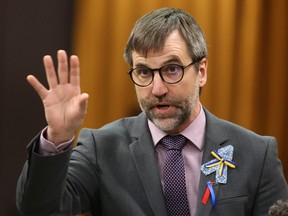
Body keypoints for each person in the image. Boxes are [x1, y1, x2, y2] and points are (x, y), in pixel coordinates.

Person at [16, 7, 288, 216]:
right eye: (144, 72)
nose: (157, 88)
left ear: (201, 71)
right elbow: (40, 209)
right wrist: (57, 137)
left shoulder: (256, 154)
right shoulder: (102, 148)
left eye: (172, 69)